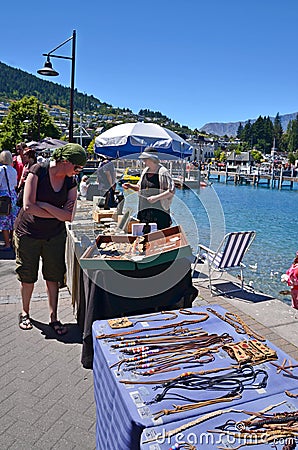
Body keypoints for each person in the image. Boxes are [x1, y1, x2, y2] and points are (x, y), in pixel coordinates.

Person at [14, 143, 87, 332]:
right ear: (65, 161)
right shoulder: (38, 170)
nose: (78, 171)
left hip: (54, 235)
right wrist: (58, 212)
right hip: (28, 232)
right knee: (27, 275)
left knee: (53, 276)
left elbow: (69, 216)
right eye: (77, 167)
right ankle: (25, 312)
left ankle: (54, 318)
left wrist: (45, 204)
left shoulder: (70, 181)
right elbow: (28, 206)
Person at [122, 147, 175, 230]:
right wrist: (130, 186)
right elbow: (139, 187)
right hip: (144, 211)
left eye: (145, 159)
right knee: (144, 235)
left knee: (158, 235)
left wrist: (156, 198)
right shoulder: (146, 170)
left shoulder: (163, 172)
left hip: (159, 212)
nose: (144, 162)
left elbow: (171, 191)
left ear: (152, 159)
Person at [0, 150, 19, 250]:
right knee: (12, 220)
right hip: (13, 195)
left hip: (3, 196)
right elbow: (15, 184)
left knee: (4, 221)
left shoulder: (1, 170)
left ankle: (7, 244)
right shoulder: (13, 170)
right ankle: (12, 242)